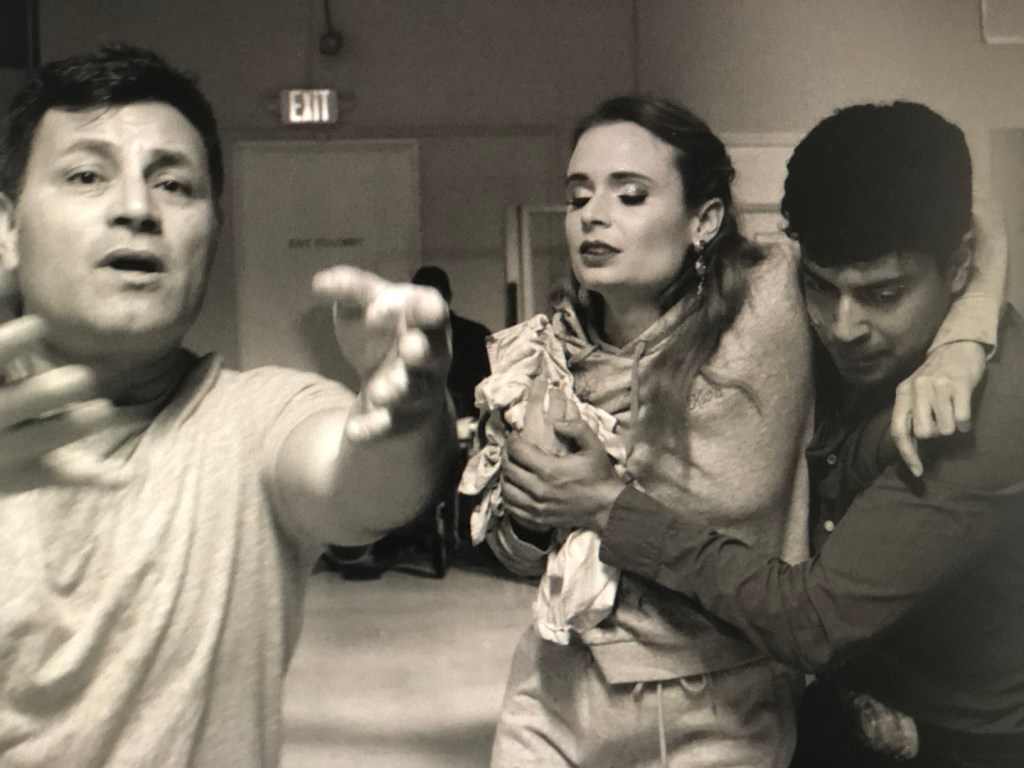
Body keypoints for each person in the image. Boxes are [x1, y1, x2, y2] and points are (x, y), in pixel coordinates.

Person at [461, 96, 1004, 767]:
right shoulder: (542, 353)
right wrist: (529, 510)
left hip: (727, 704)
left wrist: (964, 341)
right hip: (557, 689)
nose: (593, 215)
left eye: (630, 194)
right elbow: (519, 552)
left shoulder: (775, 301)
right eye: (577, 197)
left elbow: (964, 225)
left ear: (706, 219)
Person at [0, 44, 455, 767]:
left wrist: (411, 409)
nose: (137, 209)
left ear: (213, 229)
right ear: (7, 229)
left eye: (174, 185)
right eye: (87, 175)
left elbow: (369, 484)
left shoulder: (257, 419)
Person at [412, 264, 491, 419]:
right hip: (423, 426)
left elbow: (501, 384)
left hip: (464, 425)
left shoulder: (475, 335)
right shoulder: (475, 333)